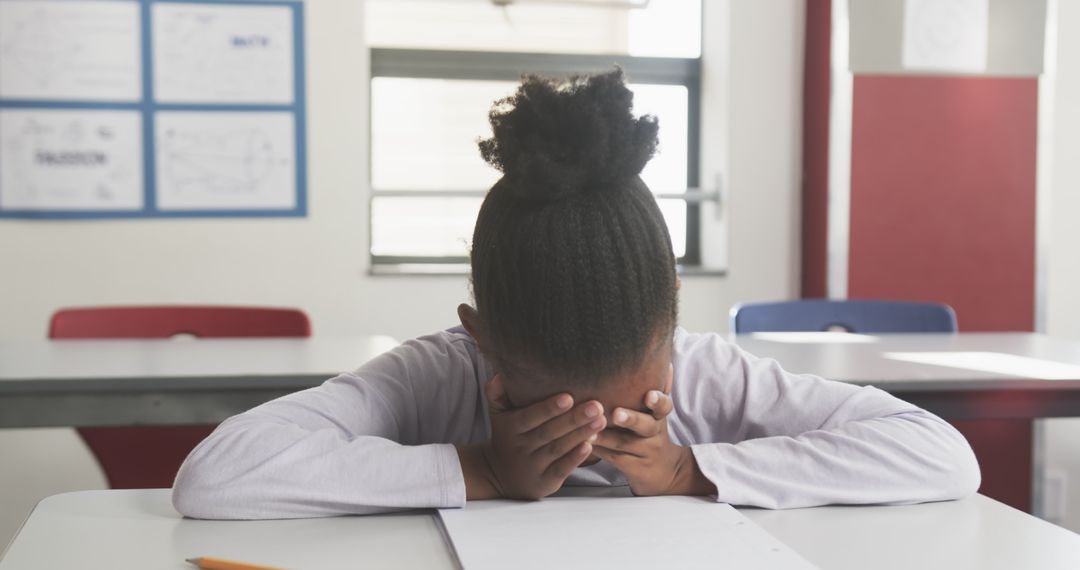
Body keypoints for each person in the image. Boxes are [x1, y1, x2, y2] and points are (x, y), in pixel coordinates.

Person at [172, 69, 980, 519]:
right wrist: (481, 467)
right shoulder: (435, 376)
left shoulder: (706, 372)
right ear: (478, 339)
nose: (594, 438)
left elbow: (941, 453)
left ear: (671, 329)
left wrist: (688, 470)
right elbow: (217, 478)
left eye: (635, 411)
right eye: (555, 410)